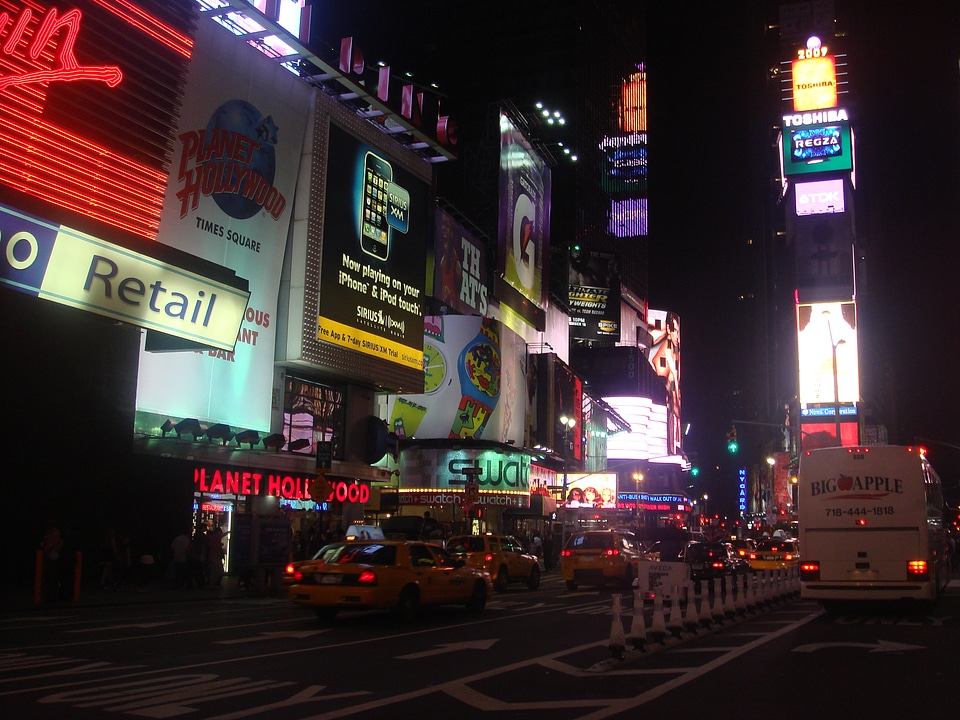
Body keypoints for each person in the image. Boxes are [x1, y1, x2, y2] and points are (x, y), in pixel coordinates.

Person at [41, 517, 62, 602]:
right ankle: (48, 595)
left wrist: (45, 548)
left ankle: (53, 595)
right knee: (47, 577)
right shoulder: (47, 532)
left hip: (53, 556)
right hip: (47, 556)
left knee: (53, 576)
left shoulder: (55, 532)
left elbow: (54, 543)